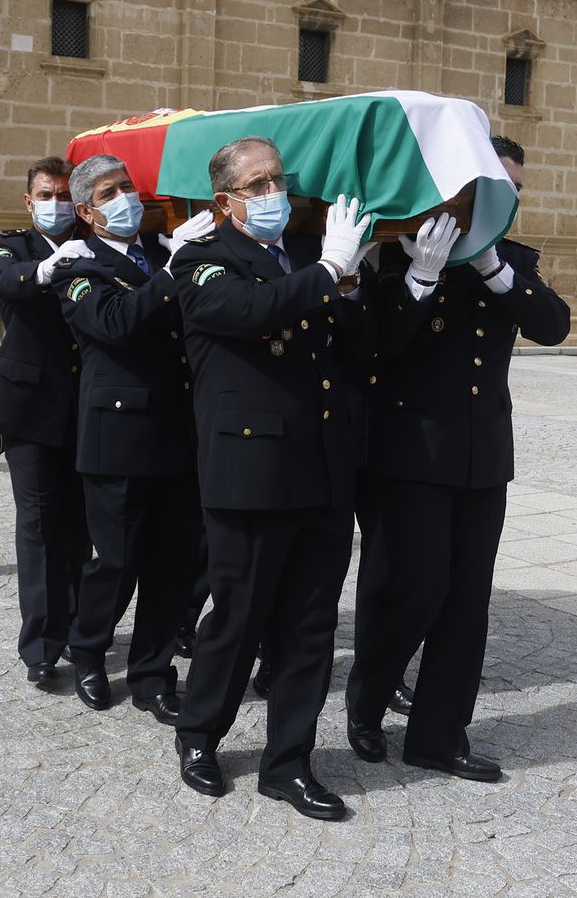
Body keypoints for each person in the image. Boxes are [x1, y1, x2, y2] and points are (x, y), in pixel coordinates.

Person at [345, 134, 570, 784]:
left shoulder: (511, 260)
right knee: (409, 592)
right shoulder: (402, 254)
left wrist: (496, 270)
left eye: (517, 190)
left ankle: (439, 738)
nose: (511, 198)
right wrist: (421, 277)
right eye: (499, 186)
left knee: (467, 603)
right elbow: (377, 349)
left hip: (481, 458)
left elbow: (553, 325)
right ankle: (366, 700)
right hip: (408, 455)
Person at [170, 136, 372, 822]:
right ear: (225, 202)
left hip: (317, 470)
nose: (272, 194)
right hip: (250, 475)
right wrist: (329, 270)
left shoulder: (303, 262)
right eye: (257, 185)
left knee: (310, 628)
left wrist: (350, 285)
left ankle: (289, 763)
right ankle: (198, 733)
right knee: (239, 618)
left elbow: (351, 355)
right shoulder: (201, 262)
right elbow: (251, 314)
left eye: (278, 181)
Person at [52, 155, 213, 724]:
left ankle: (152, 671)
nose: (126, 197)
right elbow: (116, 322)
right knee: (116, 561)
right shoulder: (77, 265)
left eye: (127, 186)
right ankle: (88, 650)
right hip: (118, 436)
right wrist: (176, 268)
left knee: (171, 563)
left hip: (178, 431)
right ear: (87, 212)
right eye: (109, 191)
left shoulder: (158, 255)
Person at [0, 157, 93, 686]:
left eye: (66, 194)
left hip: (86, 404)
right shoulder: (12, 245)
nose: (57, 203)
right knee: (40, 522)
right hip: (28, 406)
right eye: (47, 194)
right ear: (29, 201)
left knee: (80, 523)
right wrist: (43, 270)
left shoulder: (95, 243)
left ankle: (77, 623)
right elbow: (2, 277)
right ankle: (41, 643)